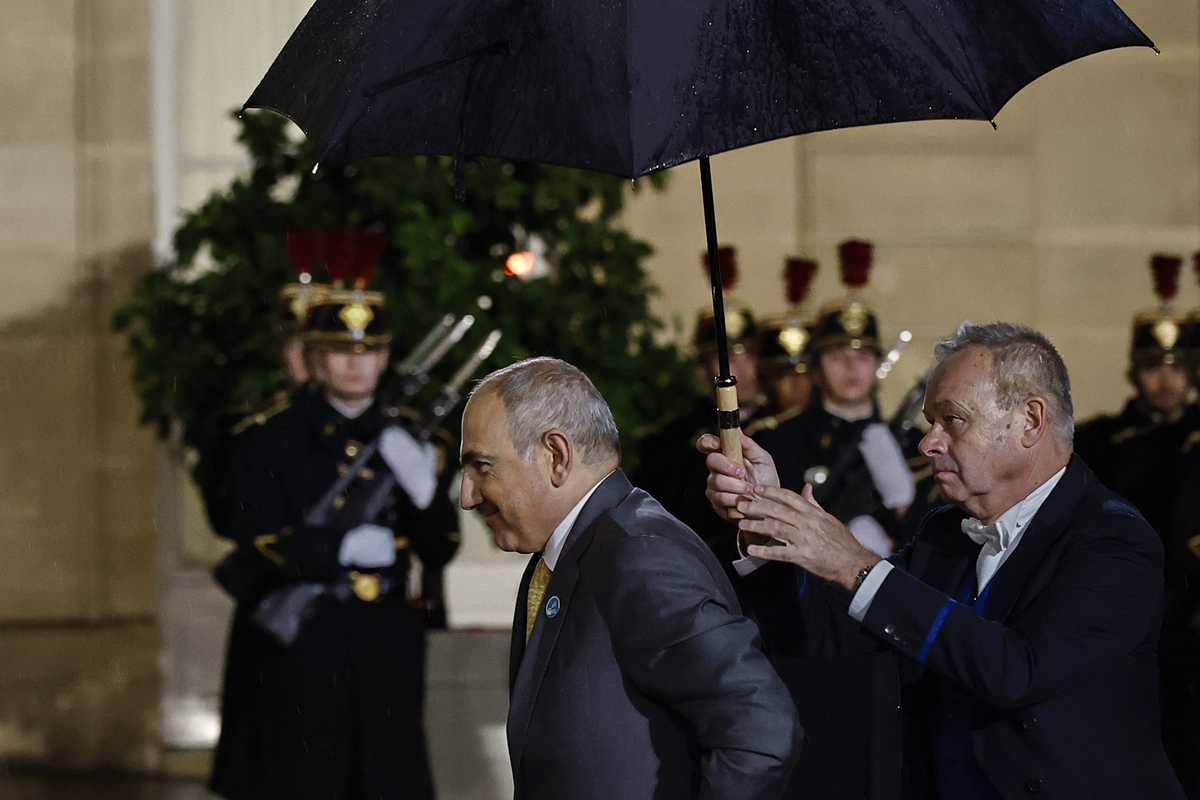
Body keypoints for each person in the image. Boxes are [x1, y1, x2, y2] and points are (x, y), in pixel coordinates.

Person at [702, 321, 1186, 800]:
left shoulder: (1115, 539)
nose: (927, 443)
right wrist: (766, 520)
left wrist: (857, 565)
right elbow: (822, 634)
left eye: (951, 420)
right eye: (930, 421)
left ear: (1030, 421)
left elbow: (1018, 672)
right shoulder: (945, 532)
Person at [459, 357, 801, 800]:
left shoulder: (639, 554)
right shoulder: (575, 551)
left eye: (481, 466)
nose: (467, 496)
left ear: (556, 456)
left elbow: (762, 731)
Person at [209, 260, 460, 800]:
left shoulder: (412, 440)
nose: (355, 364)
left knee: (388, 778)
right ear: (315, 357)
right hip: (306, 638)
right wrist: (337, 547)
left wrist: (425, 493)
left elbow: (441, 547)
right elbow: (256, 538)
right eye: (340, 351)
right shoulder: (268, 439)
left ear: (386, 358)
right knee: (307, 779)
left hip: (386, 637)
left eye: (369, 352)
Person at [633, 244, 770, 566]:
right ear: (702, 370)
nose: (739, 370)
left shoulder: (783, 427)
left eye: (748, 356)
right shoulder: (672, 438)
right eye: (726, 358)